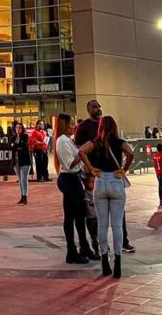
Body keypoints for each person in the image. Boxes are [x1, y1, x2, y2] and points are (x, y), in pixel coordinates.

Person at [78, 115, 133, 278]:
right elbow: (130, 153)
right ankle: (118, 263)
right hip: (115, 181)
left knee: (102, 225)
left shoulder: (96, 142)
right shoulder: (119, 142)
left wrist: (90, 168)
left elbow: (81, 151)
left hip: (100, 180)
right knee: (117, 226)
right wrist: (124, 169)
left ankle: (104, 260)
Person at [54, 113, 93, 264]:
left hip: (74, 179)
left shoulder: (68, 140)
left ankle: (84, 247)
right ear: (64, 125)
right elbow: (70, 163)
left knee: (79, 215)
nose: (73, 126)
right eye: (70, 124)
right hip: (69, 179)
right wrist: (82, 152)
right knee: (71, 216)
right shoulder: (62, 141)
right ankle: (72, 250)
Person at [11, 122, 32, 204]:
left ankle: (25, 196)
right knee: (20, 180)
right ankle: (22, 196)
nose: (18, 129)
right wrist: (17, 146)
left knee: (24, 179)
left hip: (25, 161)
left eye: (20, 127)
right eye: (17, 127)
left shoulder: (25, 136)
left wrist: (16, 146)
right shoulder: (13, 137)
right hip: (16, 162)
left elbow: (24, 146)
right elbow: (10, 146)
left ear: (22, 128)